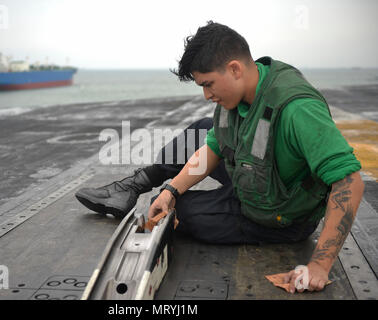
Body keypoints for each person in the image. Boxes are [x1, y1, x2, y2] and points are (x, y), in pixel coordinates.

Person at [75, 21, 364, 293]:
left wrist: (319, 265)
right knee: (199, 134)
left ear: (235, 69)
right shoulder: (239, 94)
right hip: (256, 177)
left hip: (280, 213)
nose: (206, 95)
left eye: (208, 84)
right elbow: (212, 147)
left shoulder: (297, 108)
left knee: (179, 213)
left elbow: (349, 182)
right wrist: (171, 190)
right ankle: (134, 185)